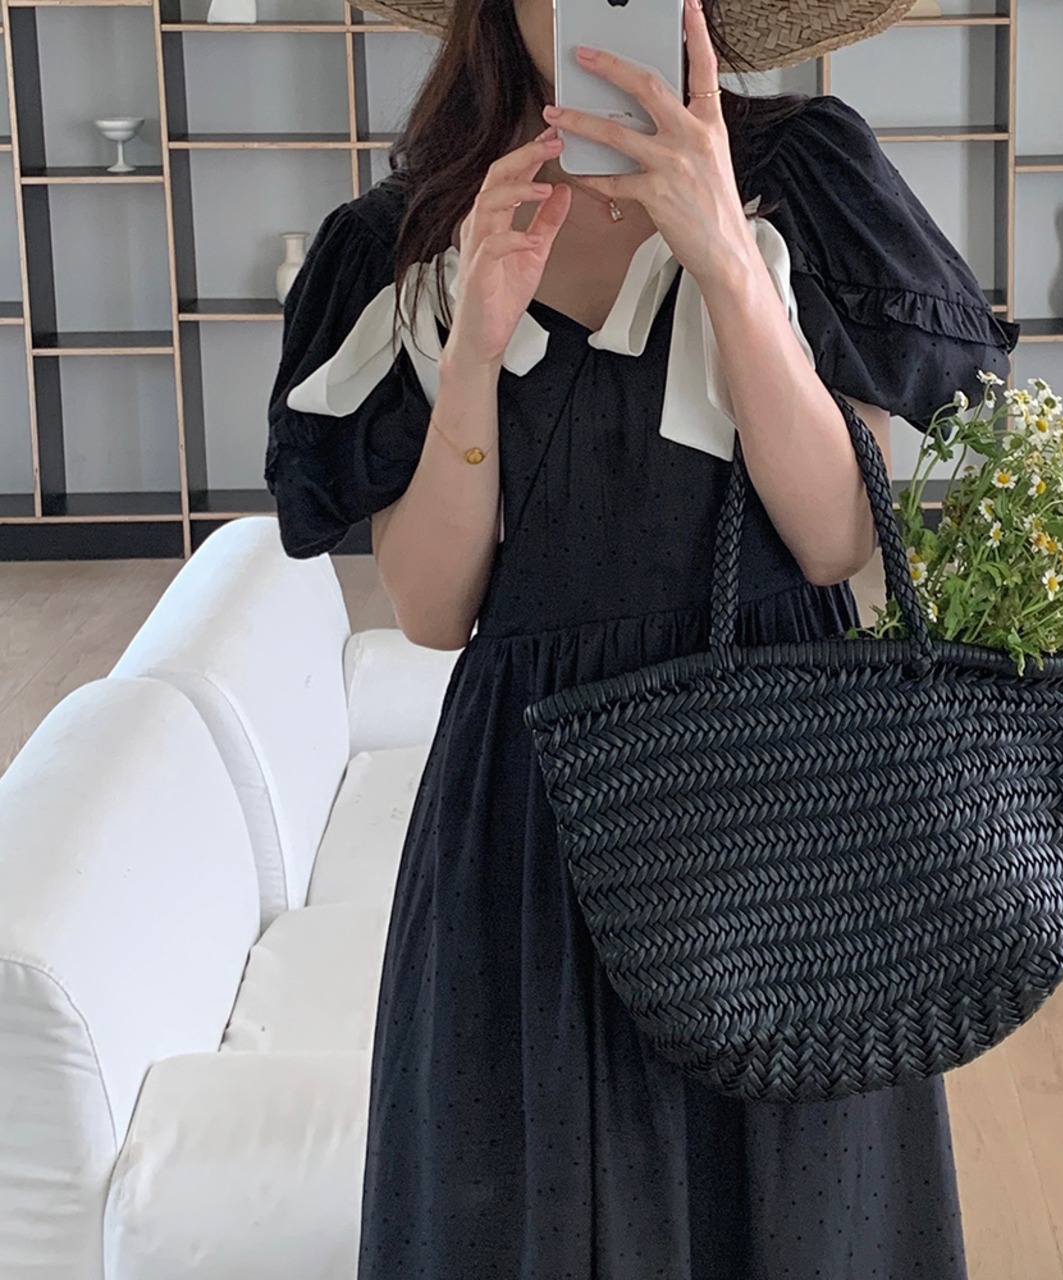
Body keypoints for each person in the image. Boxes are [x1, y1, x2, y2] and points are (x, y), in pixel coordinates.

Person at [264, 0, 1020, 1271]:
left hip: (783, 785)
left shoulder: (800, 177)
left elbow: (834, 539)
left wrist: (722, 252)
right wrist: (473, 350)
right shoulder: (408, 236)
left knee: (796, 1207)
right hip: (528, 810)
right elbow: (434, 608)